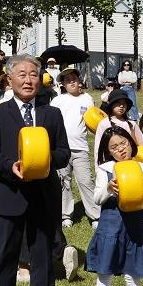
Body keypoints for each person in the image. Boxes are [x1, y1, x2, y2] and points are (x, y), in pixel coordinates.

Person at [0, 54, 70, 286]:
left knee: (42, 258)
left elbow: (64, 153)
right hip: (10, 194)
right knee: (6, 258)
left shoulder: (51, 114)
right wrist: (10, 166)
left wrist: (42, 161)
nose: (28, 79)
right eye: (22, 74)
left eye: (33, 74)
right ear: (9, 79)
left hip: (44, 195)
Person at [87, 126, 143, 286]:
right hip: (110, 227)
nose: (121, 150)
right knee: (105, 274)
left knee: (133, 275)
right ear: (108, 151)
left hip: (134, 228)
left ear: (131, 142)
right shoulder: (105, 169)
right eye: (114, 147)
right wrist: (108, 188)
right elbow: (96, 199)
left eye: (124, 143)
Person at [50, 68, 97, 228]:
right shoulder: (57, 101)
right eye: (67, 79)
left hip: (80, 147)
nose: (71, 81)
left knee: (86, 181)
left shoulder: (87, 99)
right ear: (62, 83)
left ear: (79, 81)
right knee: (64, 182)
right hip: (61, 148)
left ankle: (95, 215)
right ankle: (65, 215)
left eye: (74, 78)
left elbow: (93, 122)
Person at [92, 94, 143, 166]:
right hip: (112, 164)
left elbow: (142, 144)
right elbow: (98, 148)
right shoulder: (104, 124)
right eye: (118, 103)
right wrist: (98, 166)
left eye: (124, 104)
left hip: (132, 163)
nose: (121, 106)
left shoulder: (132, 124)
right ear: (111, 105)